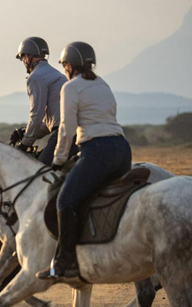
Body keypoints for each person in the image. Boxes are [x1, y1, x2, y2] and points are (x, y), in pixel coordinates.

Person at [37, 42, 131, 280]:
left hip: (97, 151)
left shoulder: (71, 88)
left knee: (65, 200)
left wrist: (58, 160)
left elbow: (67, 130)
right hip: (122, 149)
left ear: (69, 65)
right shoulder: (103, 84)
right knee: (96, 198)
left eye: (65, 65)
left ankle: (64, 263)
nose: (65, 69)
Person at [15, 37, 72, 166]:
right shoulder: (57, 75)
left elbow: (36, 115)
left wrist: (25, 143)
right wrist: (25, 132)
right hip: (75, 131)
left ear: (28, 57)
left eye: (22, 58)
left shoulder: (36, 77)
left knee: (38, 171)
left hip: (61, 134)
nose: (23, 62)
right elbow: (51, 122)